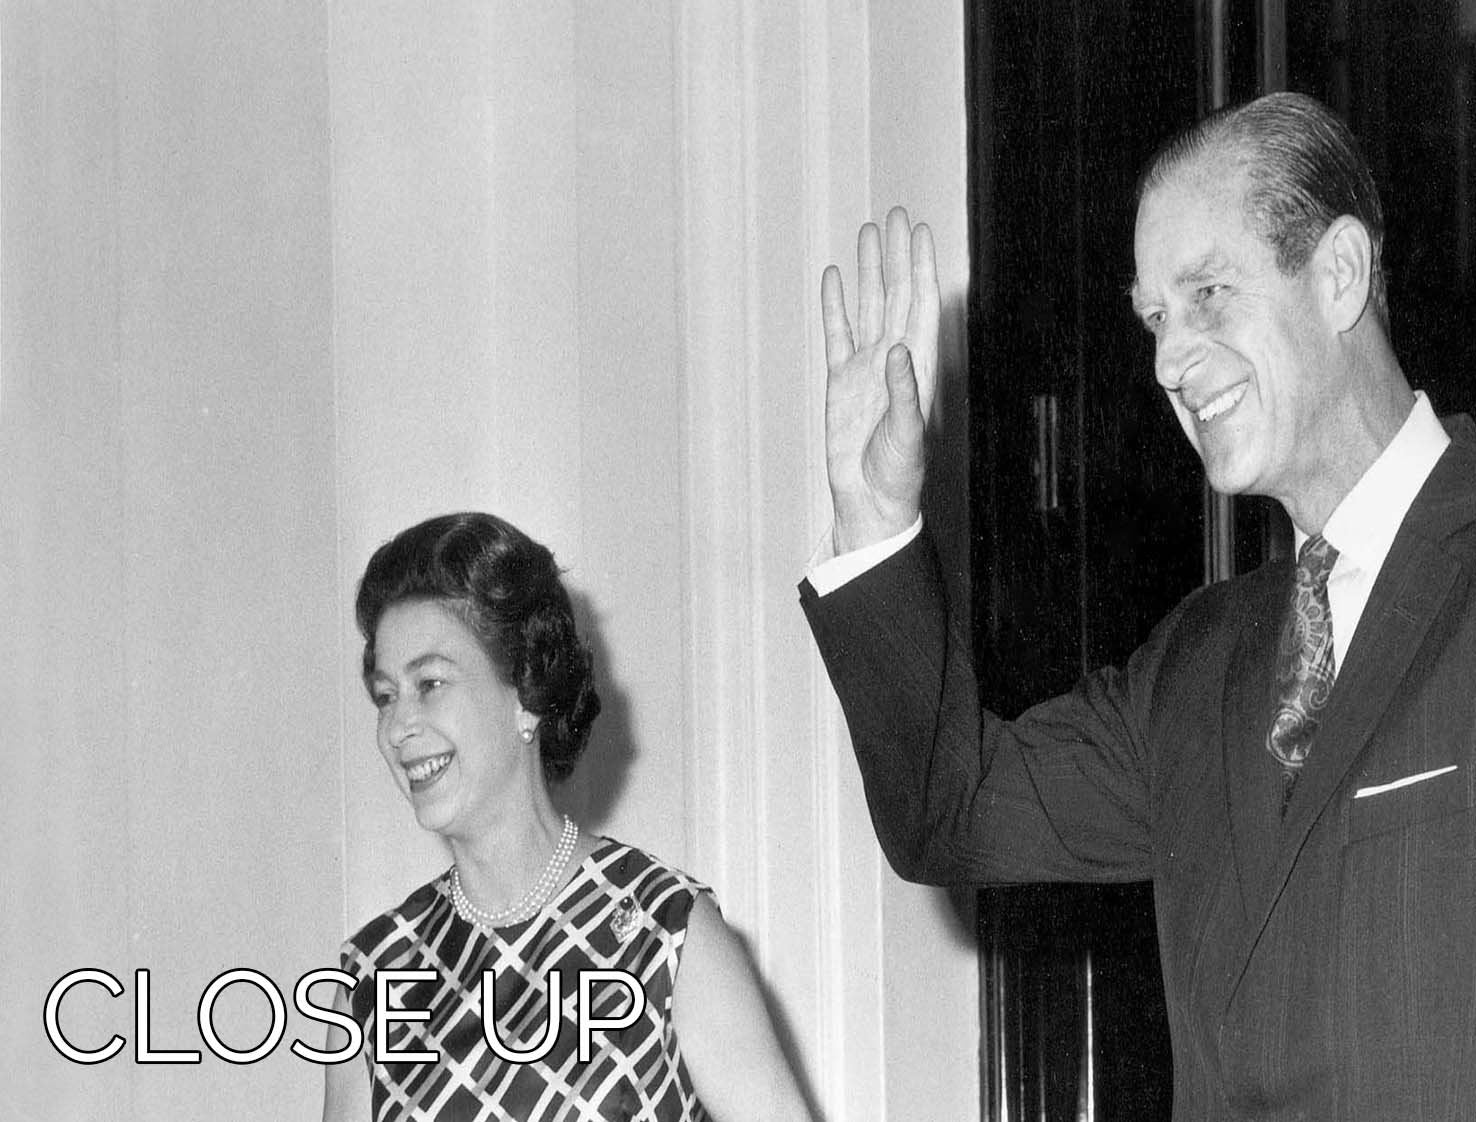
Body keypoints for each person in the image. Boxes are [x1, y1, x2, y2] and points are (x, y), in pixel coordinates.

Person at [800, 91, 1476, 1119]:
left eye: (1209, 294)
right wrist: (874, 513)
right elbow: (954, 814)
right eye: (1155, 318)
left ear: (1338, 275)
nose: (1167, 358)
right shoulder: (1196, 664)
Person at [323, 512, 812, 1121]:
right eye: (386, 695)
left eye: (430, 683)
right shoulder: (375, 973)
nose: (398, 727)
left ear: (525, 694)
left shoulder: (666, 934)